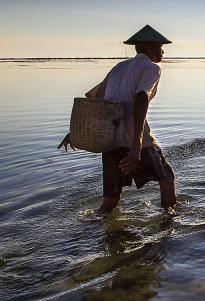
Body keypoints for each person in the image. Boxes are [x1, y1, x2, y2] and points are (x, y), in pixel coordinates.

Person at [58, 24, 177, 214]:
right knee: (166, 178)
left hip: (111, 140)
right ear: (150, 47)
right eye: (160, 46)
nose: (162, 51)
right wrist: (137, 143)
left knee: (112, 197)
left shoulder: (119, 67)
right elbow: (141, 97)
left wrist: (74, 132)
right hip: (135, 138)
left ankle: (93, 231)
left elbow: (96, 99)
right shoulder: (152, 68)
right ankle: (171, 225)